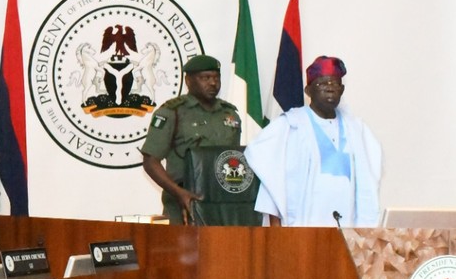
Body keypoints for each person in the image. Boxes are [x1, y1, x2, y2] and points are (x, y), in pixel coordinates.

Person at [244, 56, 382, 227]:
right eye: (322, 84)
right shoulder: (290, 125)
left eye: (335, 83)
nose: (330, 88)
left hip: (348, 229)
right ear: (308, 91)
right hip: (303, 231)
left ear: (342, 89)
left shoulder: (357, 130)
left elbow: (368, 182)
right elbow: (270, 175)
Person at [140, 54, 242, 225]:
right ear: (188, 81)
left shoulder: (230, 114)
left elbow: (234, 158)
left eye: (216, 77)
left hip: (224, 206)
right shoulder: (172, 113)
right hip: (184, 205)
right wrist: (179, 192)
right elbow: (150, 161)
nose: (213, 83)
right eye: (205, 78)